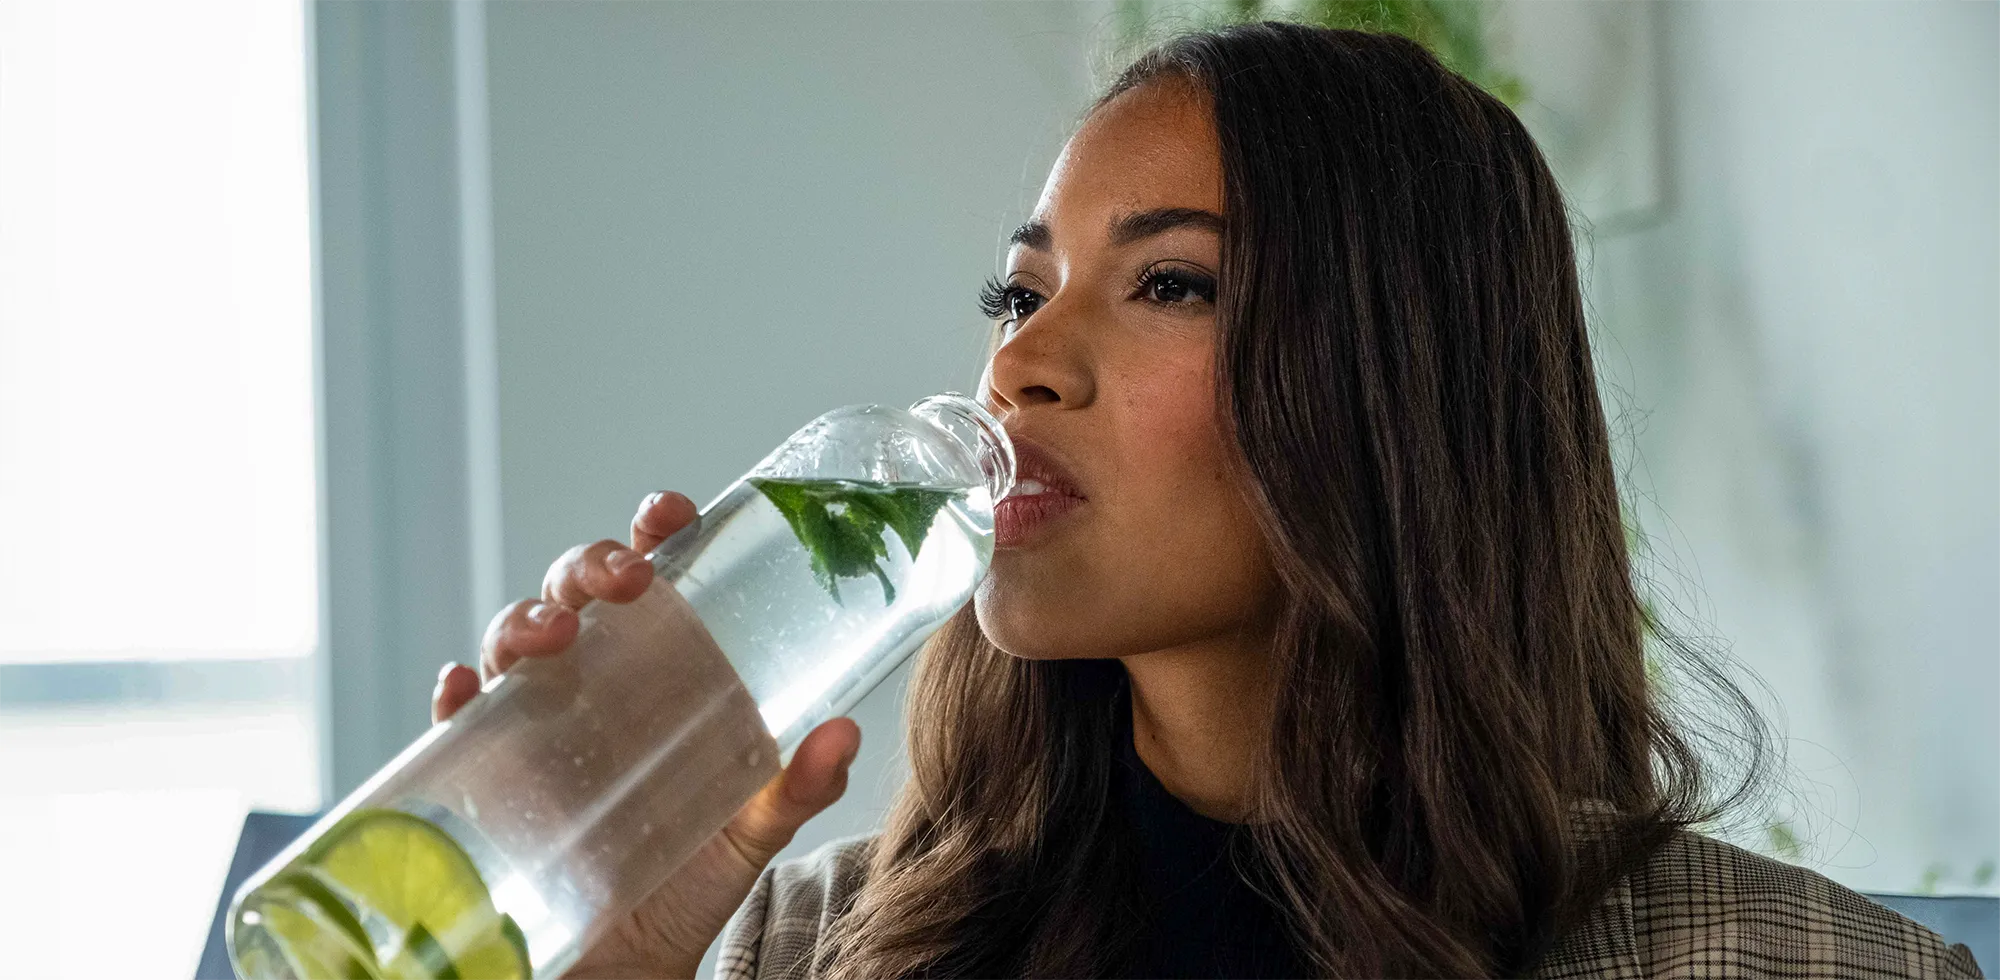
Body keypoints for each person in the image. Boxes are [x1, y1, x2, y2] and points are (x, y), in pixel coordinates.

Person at [431, 22, 1983, 980]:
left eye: (1171, 282)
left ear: (1397, 386)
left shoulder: (1808, 970)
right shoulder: (804, 951)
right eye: (1018, 291)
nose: (1021, 362)